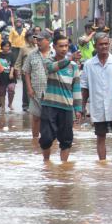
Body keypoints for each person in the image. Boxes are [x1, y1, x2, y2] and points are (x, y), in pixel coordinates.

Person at [81, 33, 112, 161]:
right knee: (100, 136)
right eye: (101, 44)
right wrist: (82, 106)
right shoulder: (89, 65)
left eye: (106, 44)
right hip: (97, 105)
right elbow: (84, 87)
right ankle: (102, 164)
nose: (104, 46)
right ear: (95, 46)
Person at [38, 34, 82, 162]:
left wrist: (78, 109)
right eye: (61, 46)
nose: (64, 49)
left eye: (66, 46)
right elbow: (52, 68)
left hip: (66, 107)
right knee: (45, 139)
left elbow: (76, 87)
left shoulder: (73, 66)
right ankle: (46, 163)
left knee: (66, 140)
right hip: (49, 106)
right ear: (54, 47)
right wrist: (70, 58)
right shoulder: (48, 61)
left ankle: (64, 167)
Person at [23, 31, 51, 138]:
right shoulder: (32, 55)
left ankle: (49, 138)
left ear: (48, 41)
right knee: (36, 118)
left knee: (50, 118)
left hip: (51, 92)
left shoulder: (54, 54)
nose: (37, 42)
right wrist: (29, 88)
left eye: (40, 40)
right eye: (37, 40)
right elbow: (26, 72)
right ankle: (35, 140)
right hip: (35, 91)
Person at [14, 31, 37, 112]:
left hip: (36, 72)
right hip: (26, 72)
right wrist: (17, 70)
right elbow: (19, 60)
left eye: (34, 37)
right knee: (26, 89)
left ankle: (34, 105)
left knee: (35, 88)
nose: (33, 38)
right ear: (27, 38)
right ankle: (25, 105)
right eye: (31, 37)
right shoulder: (23, 48)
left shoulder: (37, 47)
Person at [0, 41, 16, 113]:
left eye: (8, 46)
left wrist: (11, 73)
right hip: (1, 76)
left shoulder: (12, 55)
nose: (6, 48)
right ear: (2, 47)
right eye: (5, 46)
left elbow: (13, 65)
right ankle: (3, 106)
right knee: (1, 91)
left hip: (10, 75)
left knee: (11, 89)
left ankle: (10, 104)